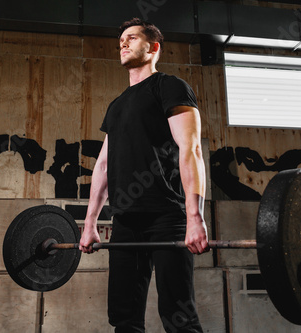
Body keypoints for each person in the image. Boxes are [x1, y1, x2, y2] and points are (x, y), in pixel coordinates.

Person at [79, 17, 208, 333]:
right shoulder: (116, 106)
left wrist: (195, 217)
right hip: (125, 222)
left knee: (179, 317)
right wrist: (90, 224)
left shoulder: (170, 87)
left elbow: (190, 150)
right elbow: (103, 166)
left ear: (153, 47)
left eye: (131, 37)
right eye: (121, 39)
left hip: (167, 216)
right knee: (124, 318)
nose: (123, 43)